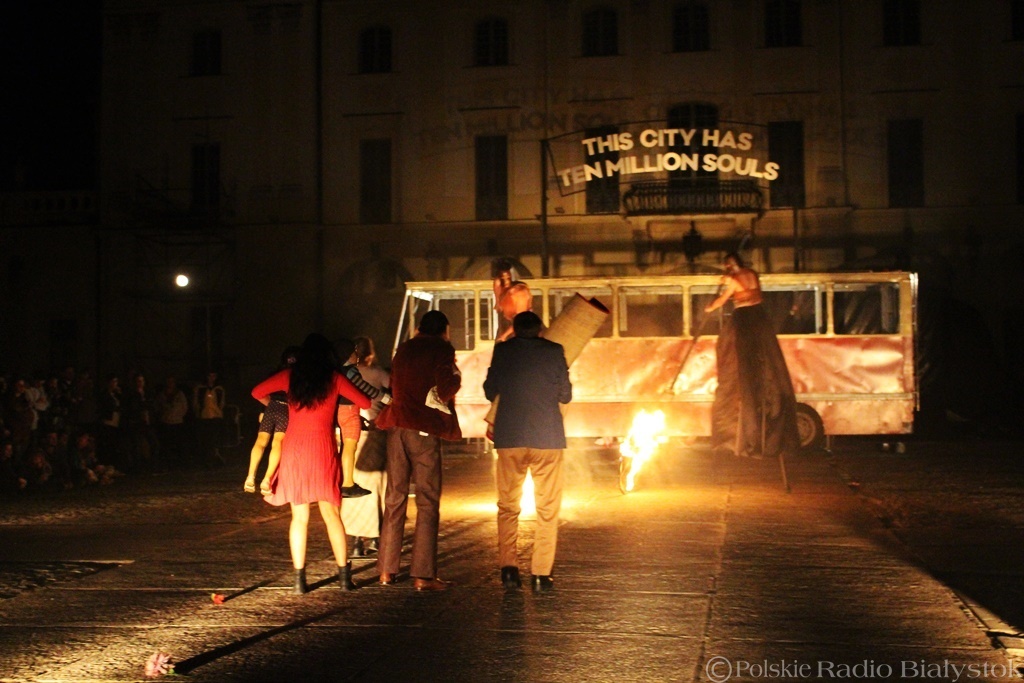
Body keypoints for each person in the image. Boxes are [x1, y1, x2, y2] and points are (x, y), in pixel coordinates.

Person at [251, 333, 371, 594]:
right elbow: (365, 402)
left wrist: (279, 406)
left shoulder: (290, 376)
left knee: (299, 517)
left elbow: (257, 391)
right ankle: (344, 579)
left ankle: (299, 582)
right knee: (331, 515)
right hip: (323, 449)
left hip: (294, 450)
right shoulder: (334, 378)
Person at [483, 311, 573, 592]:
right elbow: (566, 395)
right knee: (548, 508)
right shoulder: (555, 351)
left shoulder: (503, 351)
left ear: (514, 329)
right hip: (548, 439)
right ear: (540, 330)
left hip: (510, 437)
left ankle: (509, 569)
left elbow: (489, 391)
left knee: (508, 506)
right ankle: (541, 575)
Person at [375, 310, 462, 591]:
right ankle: (423, 575)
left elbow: (394, 383)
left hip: (396, 426)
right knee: (427, 500)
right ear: (444, 330)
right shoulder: (442, 349)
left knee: (394, 497)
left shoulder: (404, 348)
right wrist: (456, 378)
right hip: (423, 427)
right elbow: (445, 386)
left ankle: (386, 570)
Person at [704, 252, 799, 460]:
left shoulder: (733, 279)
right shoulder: (752, 274)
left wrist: (710, 307)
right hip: (760, 317)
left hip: (744, 320)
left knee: (736, 360)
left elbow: (723, 299)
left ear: (729, 266)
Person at [342, 336, 391, 557]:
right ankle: (375, 537)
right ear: (370, 354)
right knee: (377, 486)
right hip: (374, 433)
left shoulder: (341, 373)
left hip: (349, 435)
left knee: (351, 484)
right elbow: (387, 393)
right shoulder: (378, 373)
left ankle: (355, 541)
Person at [244, 347, 299, 495]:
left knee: (260, 441)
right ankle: (267, 479)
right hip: (286, 409)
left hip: (271, 406)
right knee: (277, 443)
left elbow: (262, 391)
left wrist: (265, 408)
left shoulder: (276, 373)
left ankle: (250, 476)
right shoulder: (299, 376)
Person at [492, 259, 533, 342]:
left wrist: (504, 335)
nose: (506, 281)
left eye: (508, 277)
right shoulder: (500, 287)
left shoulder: (519, 293)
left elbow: (520, 321)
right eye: (502, 278)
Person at [193, 371, 226, 467]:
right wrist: (198, 412)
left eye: (213, 376)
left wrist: (219, 411)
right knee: (206, 439)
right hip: (204, 417)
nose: (211, 378)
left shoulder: (219, 389)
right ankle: (206, 460)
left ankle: (215, 459)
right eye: (209, 376)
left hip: (216, 416)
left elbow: (222, 402)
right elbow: (195, 402)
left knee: (215, 439)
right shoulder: (200, 389)